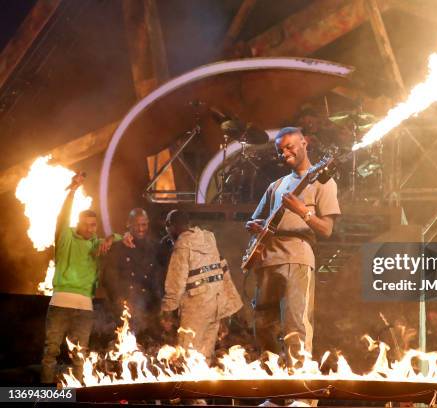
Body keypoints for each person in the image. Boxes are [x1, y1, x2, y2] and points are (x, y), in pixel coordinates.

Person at [245, 127, 341, 358]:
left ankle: (301, 391)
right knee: (263, 325)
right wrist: (255, 227)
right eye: (280, 151)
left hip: (297, 258)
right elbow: (254, 220)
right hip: (267, 259)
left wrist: (303, 212)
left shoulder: (323, 183)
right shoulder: (275, 186)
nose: (284, 153)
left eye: (289, 147)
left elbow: (327, 229)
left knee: (295, 325)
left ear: (304, 144)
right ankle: (273, 387)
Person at [41, 173, 115, 384]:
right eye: (87, 224)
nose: (91, 228)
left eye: (94, 225)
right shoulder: (65, 238)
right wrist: (72, 191)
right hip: (60, 304)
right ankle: (43, 394)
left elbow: (114, 238)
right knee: (51, 352)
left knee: (79, 356)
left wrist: (116, 238)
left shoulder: (96, 244)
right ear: (78, 224)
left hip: (85, 308)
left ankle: (77, 396)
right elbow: (62, 217)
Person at [160, 210, 243, 361]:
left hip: (196, 308)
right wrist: (229, 306)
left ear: (170, 226)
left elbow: (176, 283)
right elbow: (222, 268)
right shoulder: (208, 238)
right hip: (216, 304)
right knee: (205, 355)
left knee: (187, 356)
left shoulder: (182, 245)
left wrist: (167, 310)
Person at [102, 208, 163, 347]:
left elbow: (159, 277)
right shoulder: (117, 248)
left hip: (149, 308)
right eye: (137, 225)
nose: (141, 229)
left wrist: (158, 305)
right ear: (128, 224)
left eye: (144, 224)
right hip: (124, 308)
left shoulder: (155, 247)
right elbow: (109, 278)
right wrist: (119, 300)